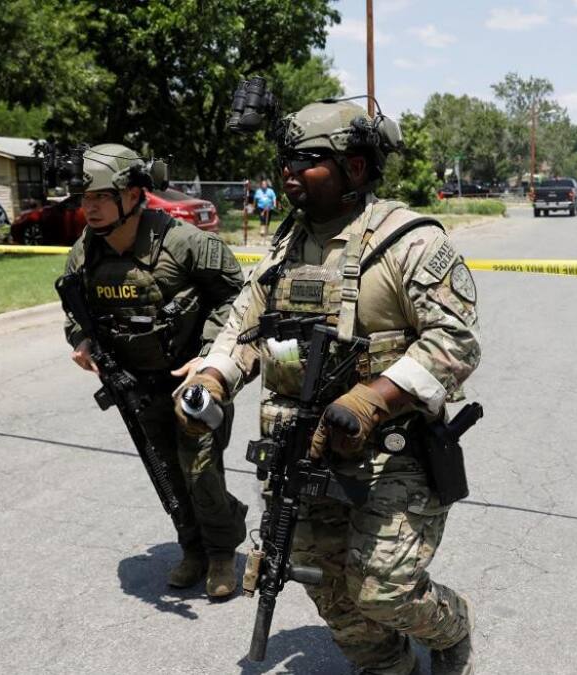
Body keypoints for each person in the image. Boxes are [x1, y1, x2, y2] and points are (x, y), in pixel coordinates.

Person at [177, 100, 481, 675]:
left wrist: (372, 399)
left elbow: (456, 341)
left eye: (308, 160)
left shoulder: (408, 239)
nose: (289, 172)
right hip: (304, 450)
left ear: (356, 168)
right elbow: (246, 328)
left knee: (382, 590)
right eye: (285, 160)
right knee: (327, 583)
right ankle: (388, 666)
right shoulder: (285, 246)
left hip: (398, 452)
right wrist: (212, 380)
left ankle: (452, 625)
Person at [62, 143, 249, 596]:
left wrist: (209, 354)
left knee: (201, 469)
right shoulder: (84, 254)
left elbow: (235, 297)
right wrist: (81, 340)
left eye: (101, 197)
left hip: (194, 381)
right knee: (164, 470)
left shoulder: (185, 242)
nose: (90, 208)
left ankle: (222, 553)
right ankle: (193, 548)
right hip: (135, 385)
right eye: (85, 199)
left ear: (132, 194)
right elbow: (73, 308)